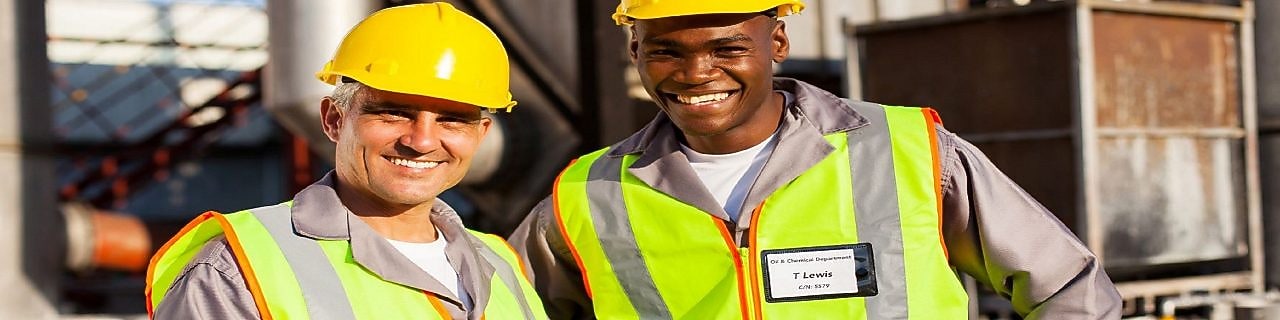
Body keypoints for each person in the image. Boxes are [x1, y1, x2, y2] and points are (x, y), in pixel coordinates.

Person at [508, 0, 1121, 318]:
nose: (695, 74)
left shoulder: (908, 152)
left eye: (727, 48)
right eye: (664, 52)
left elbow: (1068, 289)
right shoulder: (587, 193)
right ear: (634, 50)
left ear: (777, 41)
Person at [145, 3, 547, 319]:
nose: (422, 141)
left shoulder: (500, 263)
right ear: (334, 119)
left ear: (481, 135)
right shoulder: (237, 270)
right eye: (393, 113)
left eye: (452, 120)